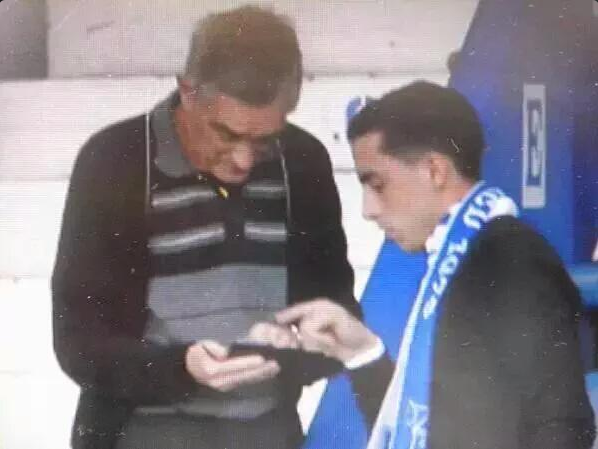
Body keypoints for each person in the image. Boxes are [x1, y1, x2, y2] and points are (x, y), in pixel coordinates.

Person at [51, 6, 359, 449]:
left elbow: (339, 310)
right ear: (187, 92)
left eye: (265, 139)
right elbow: (78, 341)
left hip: (270, 431)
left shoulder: (302, 160)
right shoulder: (115, 160)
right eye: (226, 134)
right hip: (143, 432)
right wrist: (181, 367)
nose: (244, 160)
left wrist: (302, 345)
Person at [277, 82, 596, 449]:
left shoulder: (510, 260)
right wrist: (362, 352)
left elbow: (561, 425)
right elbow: (424, 427)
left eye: (377, 184)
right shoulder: (456, 259)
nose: (368, 209)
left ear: (434, 171)